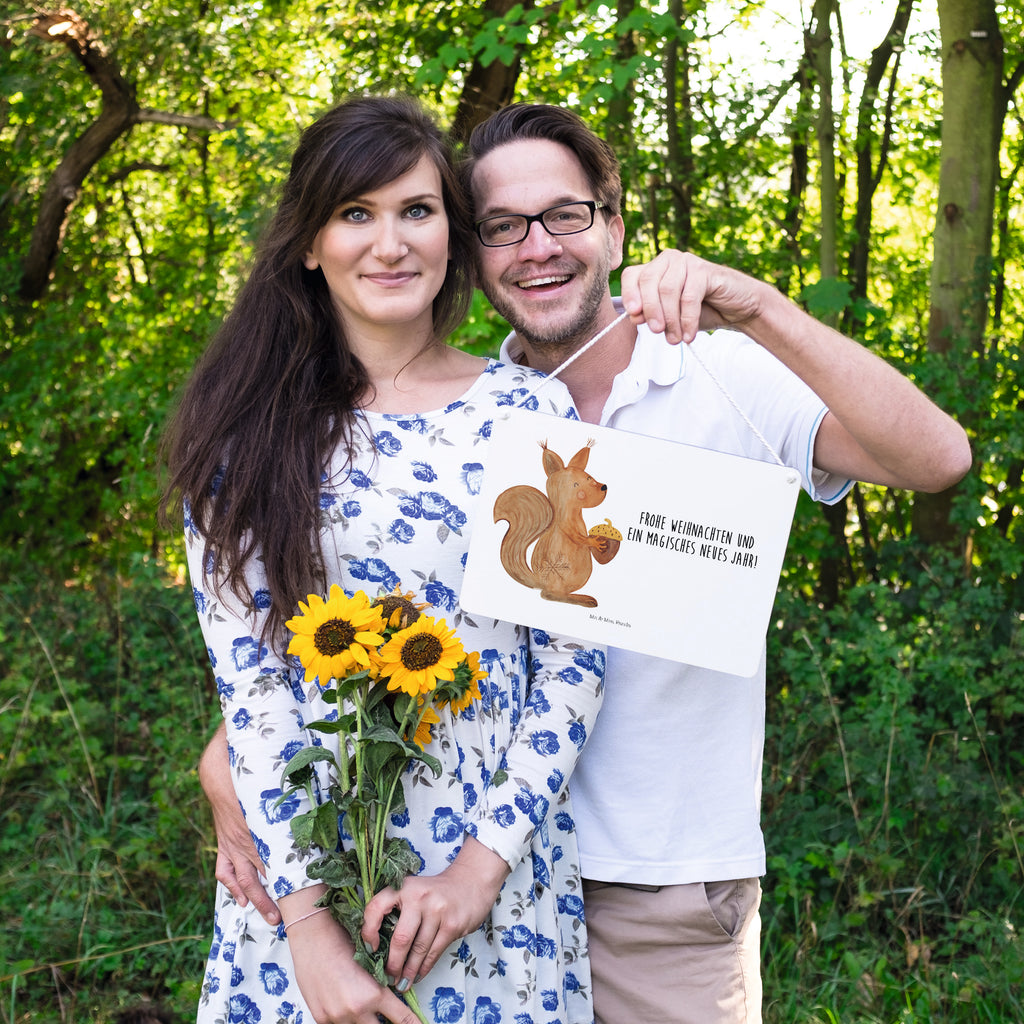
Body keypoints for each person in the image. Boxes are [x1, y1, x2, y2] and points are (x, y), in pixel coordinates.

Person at [202, 102, 972, 1024]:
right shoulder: (462, 416)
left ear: (612, 225)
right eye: (502, 226)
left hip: (651, 888)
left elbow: (937, 461)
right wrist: (235, 771)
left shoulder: (708, 374)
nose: (537, 247)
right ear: (474, 250)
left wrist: (759, 306)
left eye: (565, 215)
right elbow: (330, 633)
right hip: (421, 875)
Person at [163, 96, 608, 1024]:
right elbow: (253, 691)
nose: (390, 243)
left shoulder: (532, 415)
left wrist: (478, 873)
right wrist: (311, 937)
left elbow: (574, 661)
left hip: (492, 887)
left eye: (417, 210)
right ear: (309, 243)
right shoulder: (245, 437)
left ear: (452, 230)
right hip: (302, 885)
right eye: (355, 214)